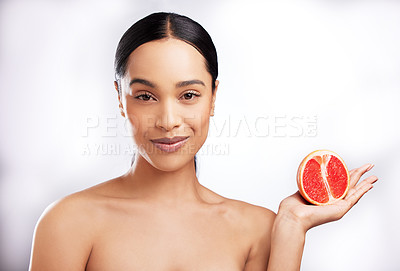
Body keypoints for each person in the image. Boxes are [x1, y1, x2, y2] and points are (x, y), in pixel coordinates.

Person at [29, 12, 378, 270]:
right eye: (146, 96)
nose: (168, 121)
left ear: (213, 97)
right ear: (120, 98)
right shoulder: (67, 222)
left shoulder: (260, 229)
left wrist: (291, 228)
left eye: (189, 95)